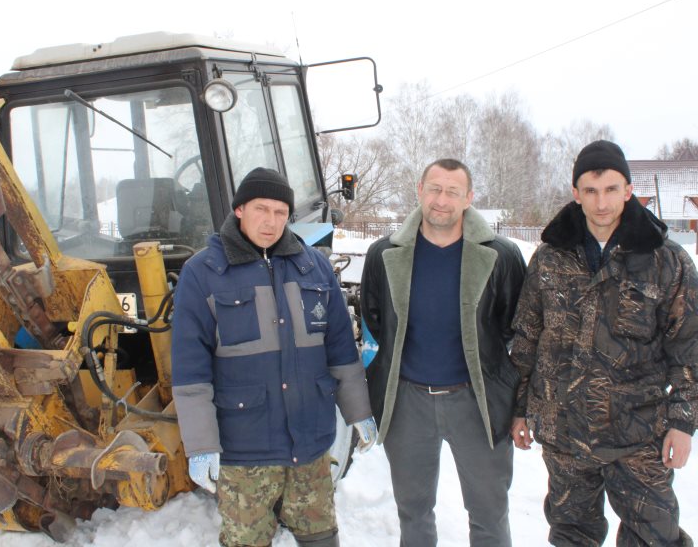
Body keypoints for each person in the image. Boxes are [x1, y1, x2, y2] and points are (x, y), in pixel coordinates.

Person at [171, 167, 376, 547]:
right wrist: (201, 445)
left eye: (281, 212)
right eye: (261, 209)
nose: (271, 221)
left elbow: (341, 351)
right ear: (239, 210)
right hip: (245, 452)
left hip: (311, 444)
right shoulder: (202, 273)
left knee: (321, 537)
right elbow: (190, 372)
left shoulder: (313, 265)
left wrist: (359, 412)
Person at [510, 140, 698, 546]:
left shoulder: (666, 260)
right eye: (591, 191)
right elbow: (527, 338)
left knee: (656, 537)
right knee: (571, 534)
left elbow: (688, 349)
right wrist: (519, 409)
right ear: (576, 193)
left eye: (612, 189)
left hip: (638, 430)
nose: (601, 203)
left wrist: (683, 423)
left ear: (628, 190)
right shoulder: (549, 257)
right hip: (563, 431)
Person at [361, 158, 526, 547]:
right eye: (434, 189)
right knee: (413, 514)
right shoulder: (384, 253)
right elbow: (374, 324)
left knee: (489, 515)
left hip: (478, 401)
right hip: (408, 402)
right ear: (419, 190)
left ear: (469, 198)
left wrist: (519, 403)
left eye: (453, 191)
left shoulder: (501, 256)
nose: (441, 200)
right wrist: (372, 396)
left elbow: (520, 332)